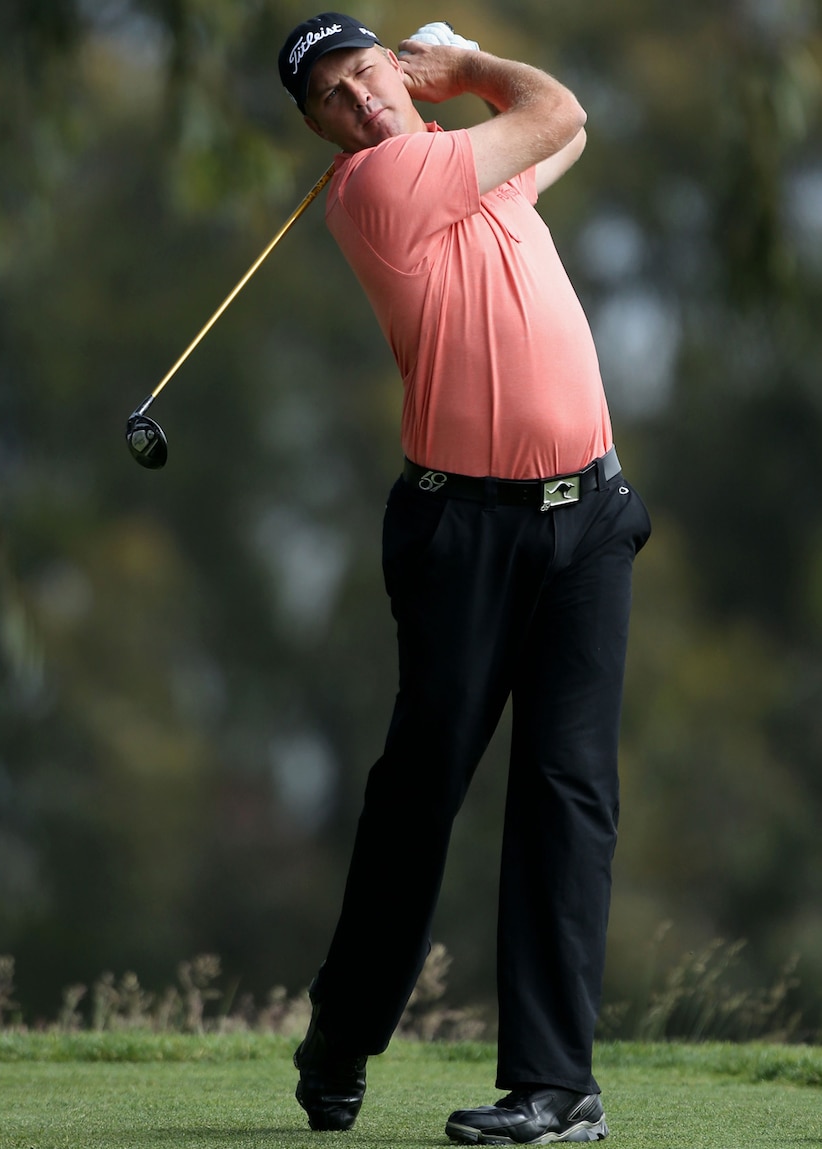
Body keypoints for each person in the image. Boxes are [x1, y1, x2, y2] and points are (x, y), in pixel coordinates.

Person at [276, 12, 651, 1145]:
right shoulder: (381, 188)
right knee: (420, 794)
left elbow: (554, 139)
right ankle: (342, 1036)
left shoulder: (479, 177)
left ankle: (555, 1087)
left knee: (567, 795)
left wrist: (467, 88)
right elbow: (557, 111)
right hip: (463, 538)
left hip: (586, 521)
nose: (361, 102)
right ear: (324, 136)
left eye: (367, 73)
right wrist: (473, 64)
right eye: (332, 100)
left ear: (396, 70)